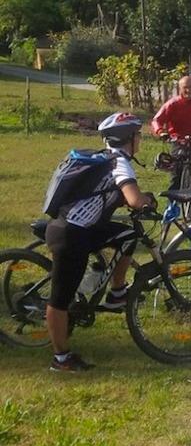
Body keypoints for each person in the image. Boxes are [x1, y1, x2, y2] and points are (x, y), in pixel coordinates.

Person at [45, 113, 156, 371]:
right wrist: (145, 201)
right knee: (60, 299)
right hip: (71, 233)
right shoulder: (119, 164)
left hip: (85, 228)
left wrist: (142, 198)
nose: (140, 139)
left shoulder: (109, 158)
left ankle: (117, 294)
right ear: (127, 138)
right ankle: (60, 359)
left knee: (128, 235)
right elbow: (133, 199)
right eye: (137, 135)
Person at [151, 75, 191, 189]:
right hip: (179, 144)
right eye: (185, 87)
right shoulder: (172, 104)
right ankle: (173, 205)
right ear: (180, 88)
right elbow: (157, 120)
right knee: (176, 176)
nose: (188, 90)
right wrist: (161, 131)